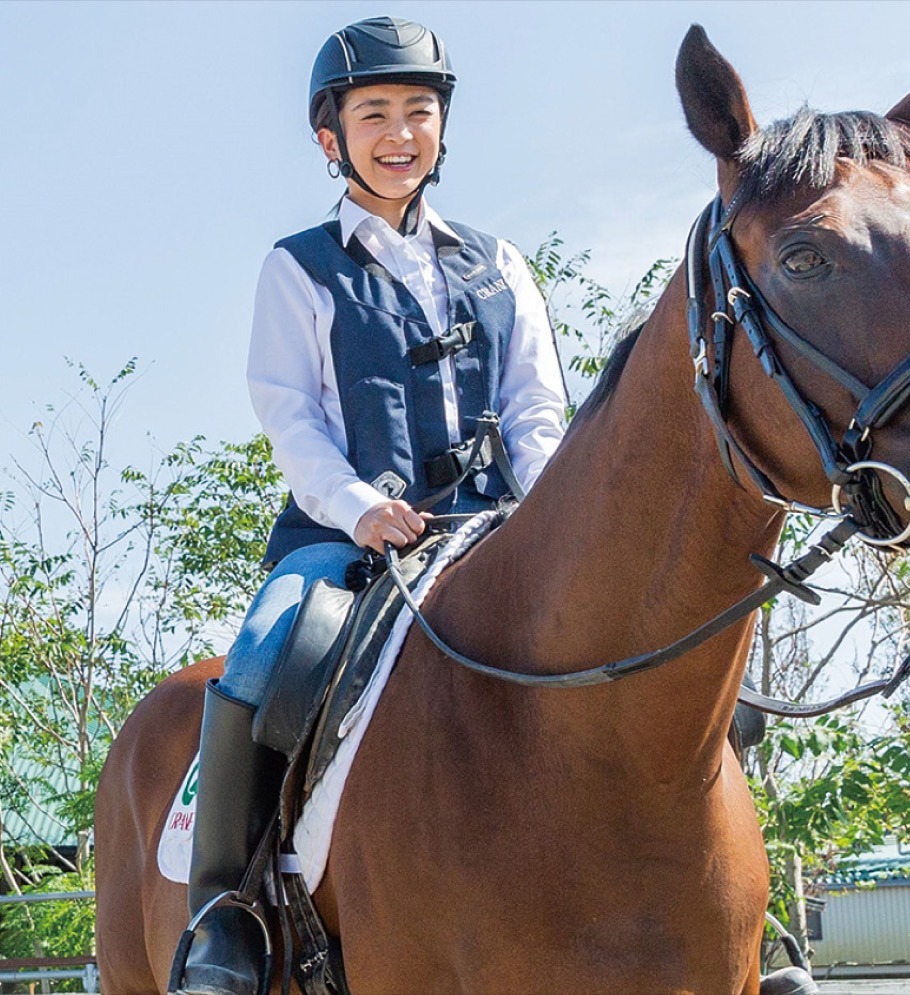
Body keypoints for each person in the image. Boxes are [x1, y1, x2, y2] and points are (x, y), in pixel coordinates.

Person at [174, 16, 567, 995]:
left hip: (494, 531)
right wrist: (358, 507)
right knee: (262, 651)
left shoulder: (501, 264)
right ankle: (225, 915)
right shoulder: (298, 267)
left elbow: (535, 407)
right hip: (345, 541)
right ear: (331, 136)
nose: (400, 133)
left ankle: (747, 915)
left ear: (443, 126)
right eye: (375, 114)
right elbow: (291, 416)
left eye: (419, 112)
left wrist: (548, 515)